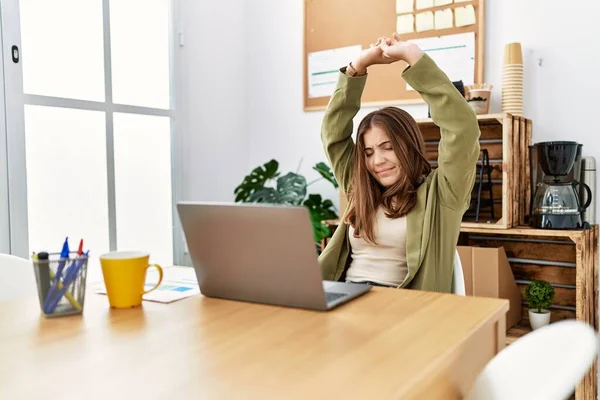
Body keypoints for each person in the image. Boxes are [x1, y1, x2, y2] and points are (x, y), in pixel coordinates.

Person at [318, 33, 480, 292]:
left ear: (410, 146)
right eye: (369, 152)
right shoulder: (360, 184)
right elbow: (333, 134)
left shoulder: (442, 193)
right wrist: (357, 67)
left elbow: (462, 128)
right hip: (345, 296)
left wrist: (412, 56)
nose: (377, 161)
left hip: (401, 308)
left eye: (388, 148)